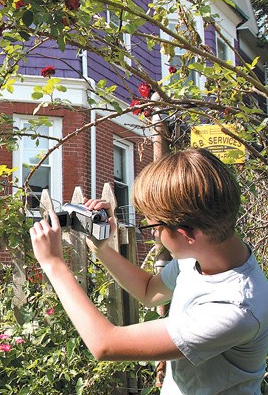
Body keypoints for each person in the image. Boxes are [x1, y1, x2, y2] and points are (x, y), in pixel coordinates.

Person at [30, 148, 268, 394]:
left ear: (187, 234)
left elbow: (105, 344)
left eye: (154, 225)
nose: (153, 233)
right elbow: (148, 291)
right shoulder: (202, 257)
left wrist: (53, 263)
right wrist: (100, 246)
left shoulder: (235, 308)